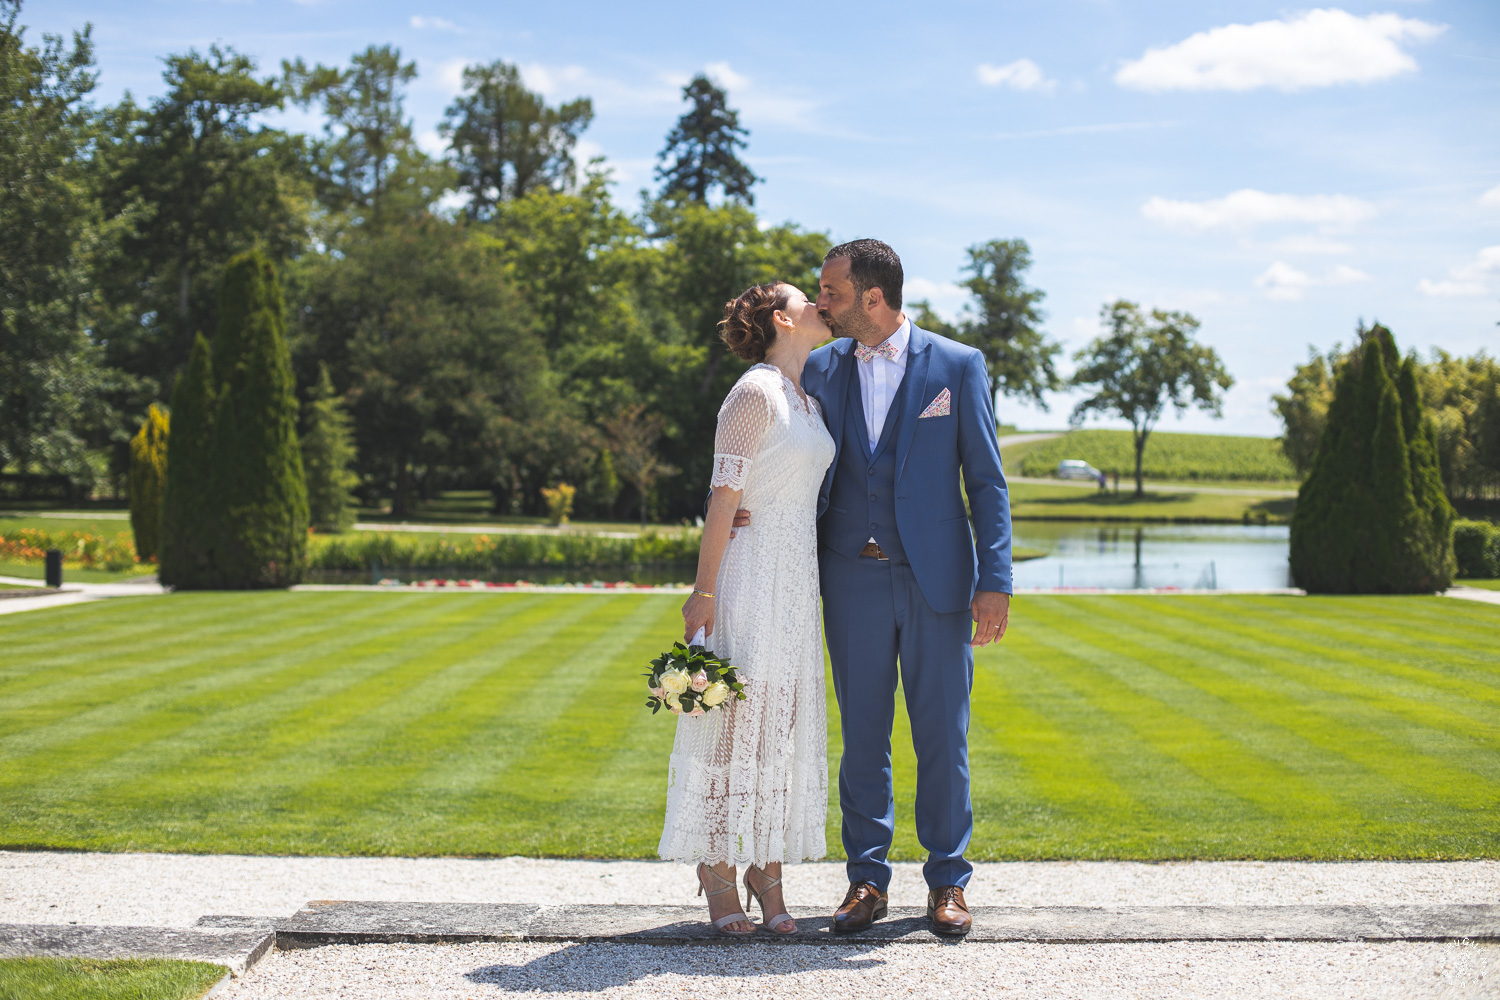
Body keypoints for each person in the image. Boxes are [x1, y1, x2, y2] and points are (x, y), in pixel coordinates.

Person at [735, 239, 1013, 937]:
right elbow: (770, 442)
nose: (821, 302)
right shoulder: (818, 367)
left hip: (938, 581)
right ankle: (866, 880)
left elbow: (986, 482)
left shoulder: (957, 365)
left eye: (830, 292)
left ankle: (948, 881)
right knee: (862, 739)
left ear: (873, 297)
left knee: (942, 737)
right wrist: (744, 504)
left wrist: (996, 581)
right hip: (848, 577)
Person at [659, 281, 835, 936]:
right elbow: (723, 496)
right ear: (782, 320)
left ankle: (767, 866)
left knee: (780, 727)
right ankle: (716, 868)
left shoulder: (808, 400)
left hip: (796, 582)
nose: (821, 305)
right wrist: (703, 592)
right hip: (749, 576)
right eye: (807, 298)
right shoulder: (754, 391)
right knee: (731, 727)